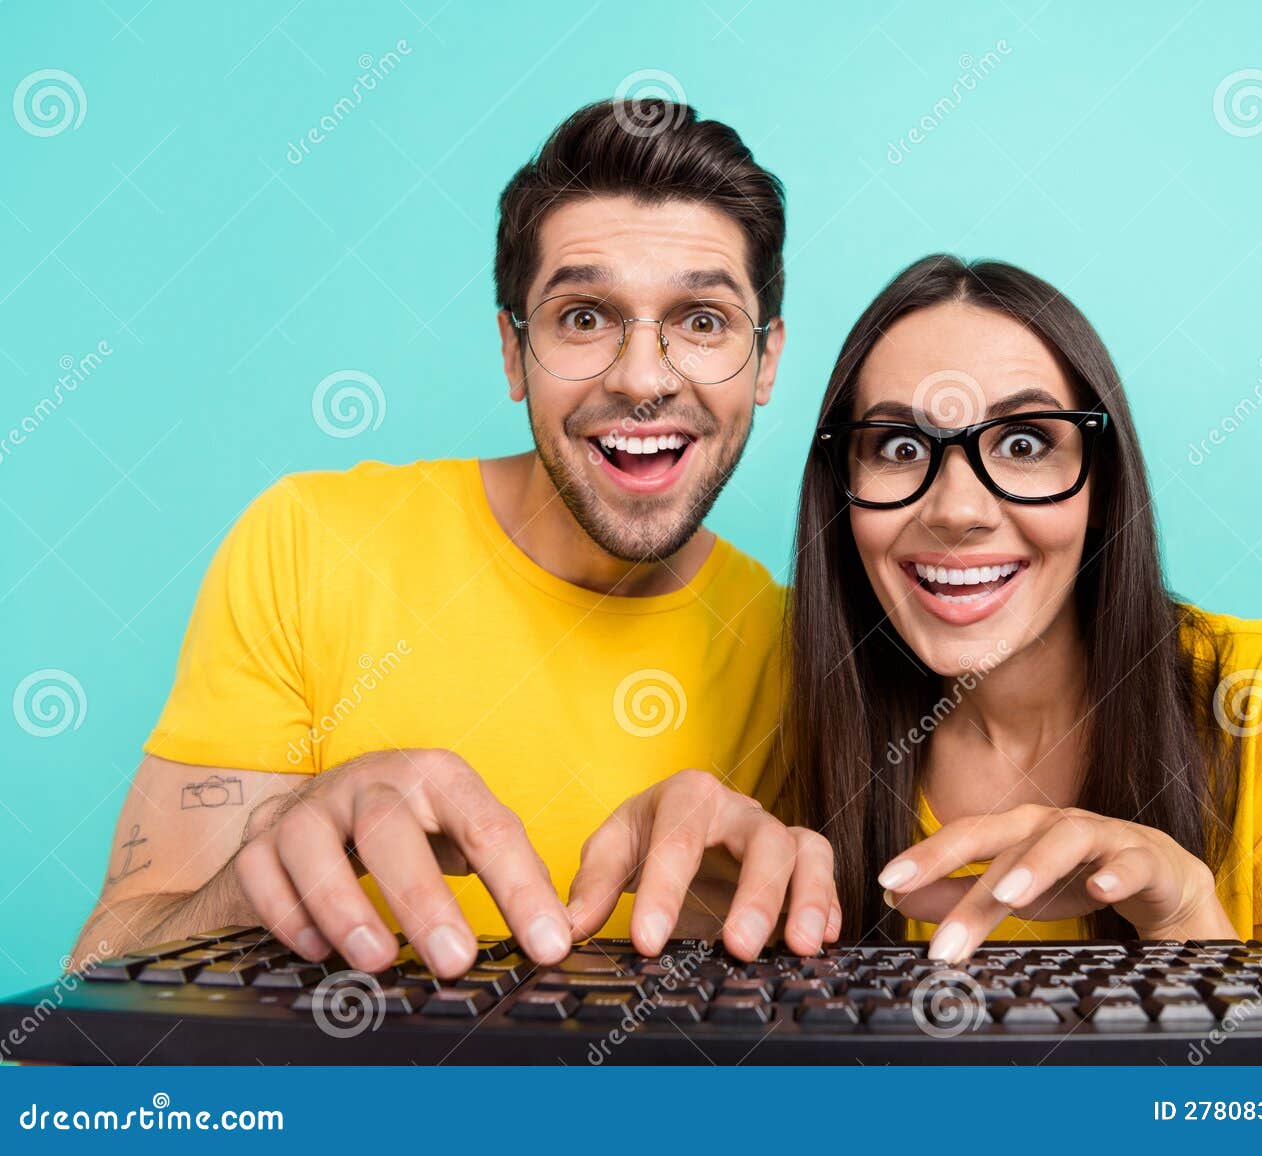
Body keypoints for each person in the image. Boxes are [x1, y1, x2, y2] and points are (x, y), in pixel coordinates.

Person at [69, 99, 840, 978]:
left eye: (702, 321)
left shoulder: (805, 652)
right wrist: (279, 858)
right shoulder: (309, 545)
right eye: (584, 316)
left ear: (766, 359)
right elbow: (98, 974)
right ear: (514, 354)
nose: (641, 379)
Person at [780, 255, 1262, 966]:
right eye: (901, 446)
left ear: (1102, 485)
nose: (957, 511)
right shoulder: (791, 704)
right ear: (841, 494)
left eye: (1024, 443)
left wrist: (1190, 924)